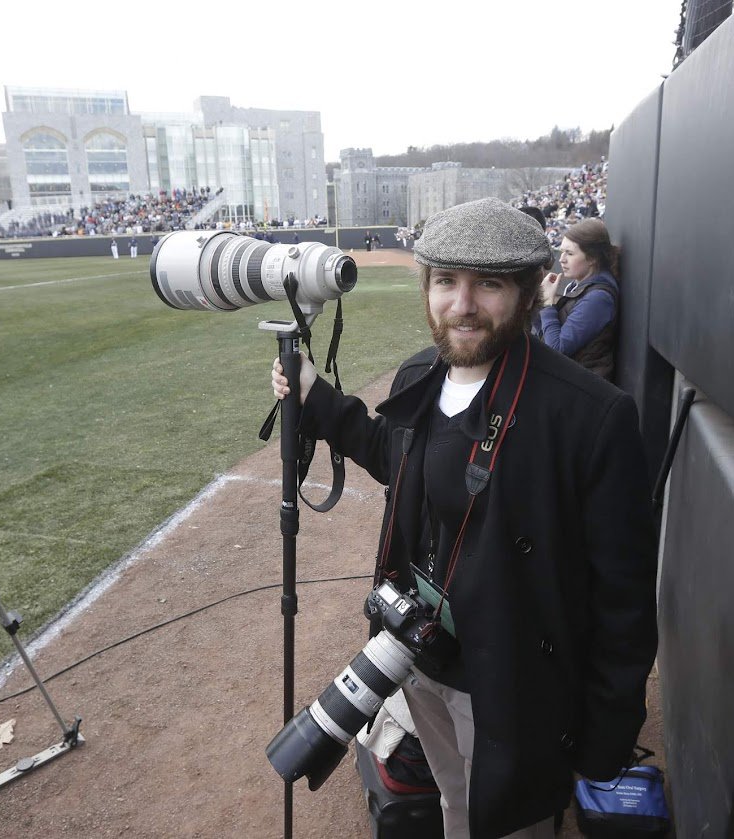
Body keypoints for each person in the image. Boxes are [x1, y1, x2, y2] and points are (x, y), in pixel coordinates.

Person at [271, 198, 657, 839]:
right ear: (427, 288)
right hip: (422, 660)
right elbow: (397, 459)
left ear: (531, 293)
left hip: (514, 682)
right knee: (454, 801)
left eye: (490, 284)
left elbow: (624, 597)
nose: (463, 304)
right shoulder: (422, 372)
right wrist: (316, 398)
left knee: (511, 824)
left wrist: (607, 733)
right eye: (447, 281)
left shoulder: (591, 414)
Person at [536, 218, 620, 380]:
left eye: (570, 253)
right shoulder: (577, 285)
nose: (561, 259)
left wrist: (547, 304)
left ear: (592, 258)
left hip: (583, 388)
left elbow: (556, 349)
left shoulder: (598, 299)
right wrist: (538, 299)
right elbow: (546, 336)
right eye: (562, 252)